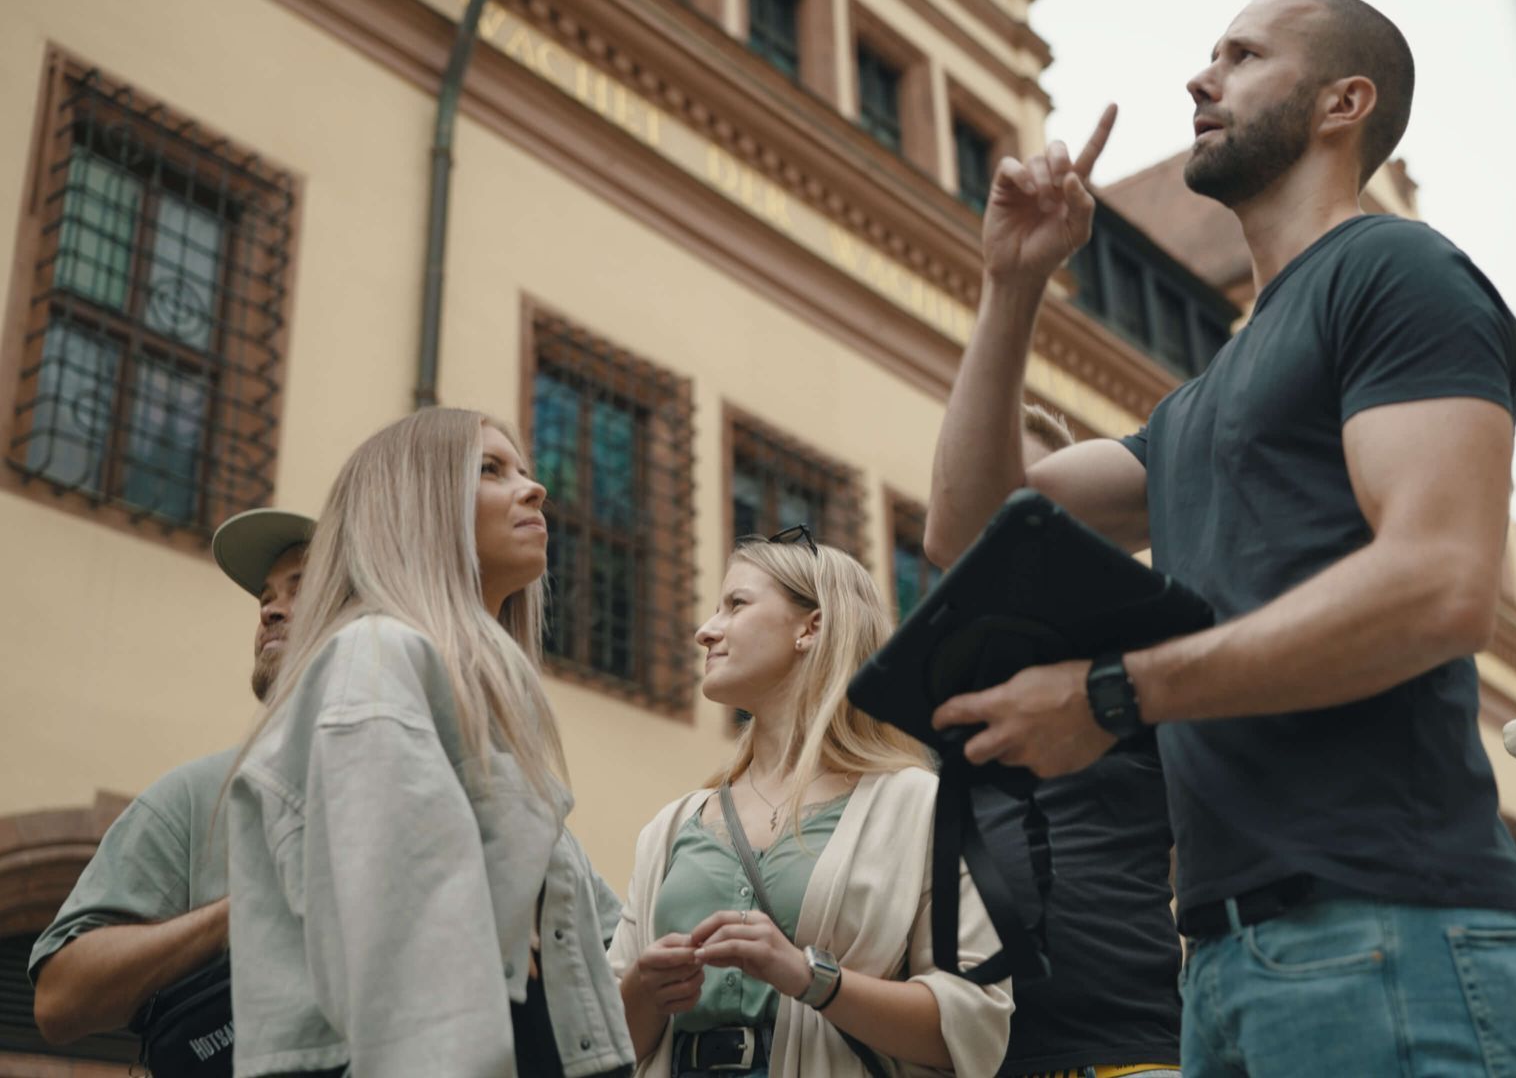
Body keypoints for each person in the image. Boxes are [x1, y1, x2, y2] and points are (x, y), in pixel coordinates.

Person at [923, 0, 1516, 1074]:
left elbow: (1441, 584)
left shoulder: (1396, 271)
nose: (1198, 77)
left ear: (1341, 104)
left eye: (1243, 55)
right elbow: (970, 529)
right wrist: (1013, 282)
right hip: (1223, 965)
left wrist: (1110, 695)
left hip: (1387, 935)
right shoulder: (1194, 407)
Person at [223, 408, 634, 1077]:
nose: (535, 489)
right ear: (414, 503)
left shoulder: (474, 693)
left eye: (523, 471)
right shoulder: (376, 660)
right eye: (490, 470)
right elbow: (415, 994)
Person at [609, 529, 1013, 1077]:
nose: (706, 630)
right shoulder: (670, 825)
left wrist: (811, 978)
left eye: (736, 605)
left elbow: (975, 1025)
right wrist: (644, 989)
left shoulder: (924, 808)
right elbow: (602, 1047)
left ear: (811, 627)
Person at [30, 507, 312, 1047]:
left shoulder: (433, 766)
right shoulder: (196, 795)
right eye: (266, 597)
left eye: (303, 589)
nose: (270, 610)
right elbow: (59, 999)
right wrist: (249, 906)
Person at [973, 405, 1181, 1078]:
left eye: (1027, 499)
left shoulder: (1151, 654)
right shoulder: (929, 685)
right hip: (974, 1057)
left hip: (1127, 1051)